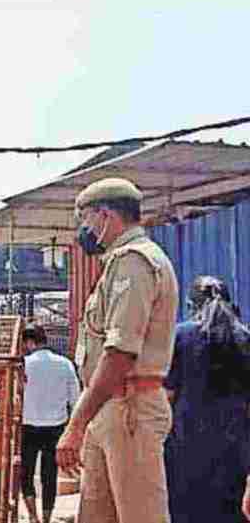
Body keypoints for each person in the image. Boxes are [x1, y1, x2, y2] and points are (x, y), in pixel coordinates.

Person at [56, 177, 179, 523]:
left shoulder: (134, 261)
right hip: (110, 409)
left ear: (105, 216)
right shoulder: (118, 263)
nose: (84, 229)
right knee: (96, 516)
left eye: (86, 219)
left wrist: (76, 423)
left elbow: (120, 353)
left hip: (129, 410)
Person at [164, 276, 250, 523]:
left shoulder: (181, 336)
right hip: (235, 457)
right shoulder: (245, 339)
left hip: (185, 453)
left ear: (192, 307)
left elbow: (166, 399)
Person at [20, 322, 79, 523]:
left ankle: (32, 516)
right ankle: (46, 518)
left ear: (28, 342)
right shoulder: (65, 364)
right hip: (56, 427)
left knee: (26, 473)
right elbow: (75, 399)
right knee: (49, 475)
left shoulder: (24, 365)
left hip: (27, 426)